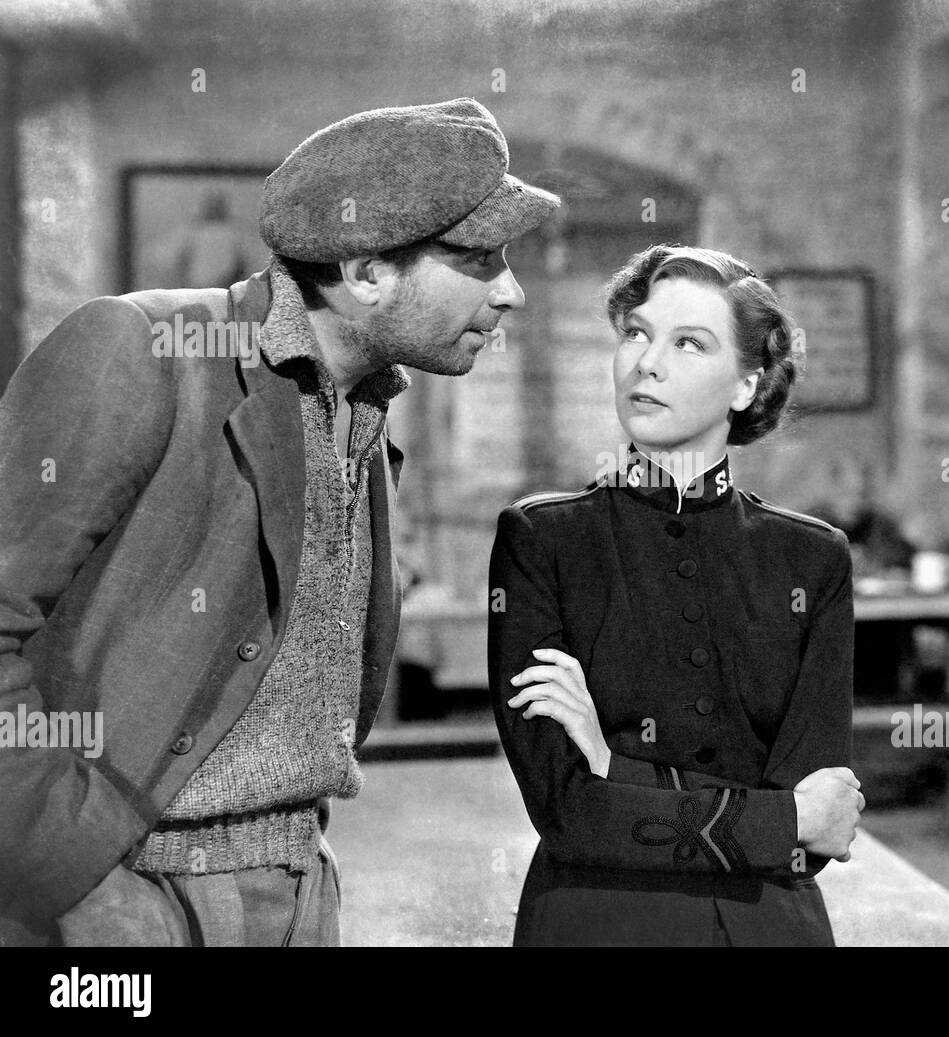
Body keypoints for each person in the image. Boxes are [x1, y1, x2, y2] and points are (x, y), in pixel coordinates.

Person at [0, 98, 559, 947]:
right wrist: (76, 886)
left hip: (299, 883)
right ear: (367, 272)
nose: (511, 291)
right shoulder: (141, 351)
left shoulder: (362, 411)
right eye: (480, 259)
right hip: (126, 889)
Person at [488, 244, 862, 946]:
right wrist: (777, 817)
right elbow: (569, 812)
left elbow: (820, 830)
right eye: (636, 332)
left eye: (689, 343)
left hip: (767, 927)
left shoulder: (813, 559)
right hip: (597, 921)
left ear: (746, 386)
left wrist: (614, 763)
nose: (646, 362)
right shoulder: (543, 541)